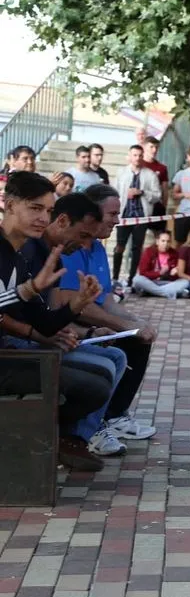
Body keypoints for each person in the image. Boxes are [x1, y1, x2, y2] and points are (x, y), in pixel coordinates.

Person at [0, 174, 114, 471]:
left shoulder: (20, 255)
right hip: (8, 358)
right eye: (35, 209)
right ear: (9, 205)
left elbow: (45, 323)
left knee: (97, 385)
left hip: (10, 356)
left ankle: (46, 441)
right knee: (90, 383)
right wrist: (30, 290)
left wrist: (77, 304)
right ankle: (38, 443)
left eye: (48, 211)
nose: (43, 218)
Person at [58, 184, 159, 443]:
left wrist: (134, 322)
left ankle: (114, 416)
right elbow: (76, 305)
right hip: (68, 324)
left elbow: (106, 300)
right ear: (91, 213)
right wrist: (121, 326)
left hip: (80, 320)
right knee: (117, 350)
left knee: (138, 337)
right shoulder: (70, 248)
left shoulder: (98, 248)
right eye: (112, 214)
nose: (117, 220)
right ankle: (88, 429)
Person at [113, 145, 161, 287]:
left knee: (136, 248)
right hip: (125, 214)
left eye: (140, 155)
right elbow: (114, 193)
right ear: (130, 156)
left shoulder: (150, 174)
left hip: (142, 216)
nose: (138, 158)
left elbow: (157, 195)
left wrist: (142, 192)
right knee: (119, 246)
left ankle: (132, 279)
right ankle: (115, 277)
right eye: (135, 155)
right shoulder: (121, 172)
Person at [131, 231, 190, 299]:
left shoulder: (174, 253)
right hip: (150, 281)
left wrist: (176, 271)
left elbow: (177, 274)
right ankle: (167, 293)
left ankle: (150, 291)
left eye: (168, 241)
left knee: (185, 282)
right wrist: (159, 273)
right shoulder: (149, 251)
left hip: (166, 282)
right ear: (157, 242)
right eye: (163, 241)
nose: (165, 244)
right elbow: (143, 272)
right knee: (137, 279)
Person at [142, 136, 170, 238]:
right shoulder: (138, 164)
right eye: (151, 147)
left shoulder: (162, 168)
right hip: (140, 206)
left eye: (156, 147)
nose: (154, 150)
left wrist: (164, 206)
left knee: (159, 236)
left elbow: (165, 189)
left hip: (156, 206)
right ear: (144, 147)